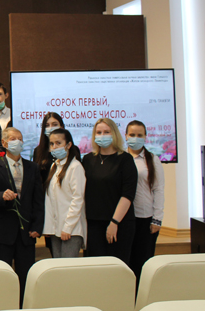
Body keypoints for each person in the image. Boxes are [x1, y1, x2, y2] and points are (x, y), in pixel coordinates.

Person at [0, 127, 45, 303]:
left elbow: (38, 200)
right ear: (4, 143)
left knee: (26, 275)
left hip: (26, 233)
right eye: (13, 139)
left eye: (20, 139)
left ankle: (25, 307)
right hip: (1, 232)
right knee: (2, 276)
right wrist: (1, 196)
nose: (17, 142)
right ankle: (1, 306)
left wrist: (37, 226)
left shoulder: (32, 167)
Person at [82, 118, 138, 264]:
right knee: (95, 267)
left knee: (117, 267)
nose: (102, 135)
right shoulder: (88, 160)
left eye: (106, 132)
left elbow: (128, 194)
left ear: (114, 134)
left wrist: (114, 222)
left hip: (119, 224)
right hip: (93, 224)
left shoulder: (125, 159)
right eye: (99, 132)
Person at [125, 120, 165, 284]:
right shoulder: (121, 158)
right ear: (125, 136)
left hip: (145, 218)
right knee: (126, 260)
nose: (135, 138)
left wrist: (157, 219)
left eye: (139, 135)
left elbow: (159, 189)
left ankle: (142, 294)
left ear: (145, 137)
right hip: (124, 218)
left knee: (143, 260)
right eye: (132, 135)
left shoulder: (152, 159)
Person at [42, 128, 86, 258]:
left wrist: (68, 227)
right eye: (52, 144)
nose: (54, 147)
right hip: (56, 229)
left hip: (71, 230)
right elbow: (50, 199)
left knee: (68, 267)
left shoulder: (75, 167)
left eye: (58, 143)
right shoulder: (54, 166)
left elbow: (77, 199)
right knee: (58, 266)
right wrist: (49, 227)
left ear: (69, 145)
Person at [32, 112, 65, 183]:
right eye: (47, 125)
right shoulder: (38, 151)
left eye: (55, 125)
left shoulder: (70, 149)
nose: (51, 128)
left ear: (61, 127)